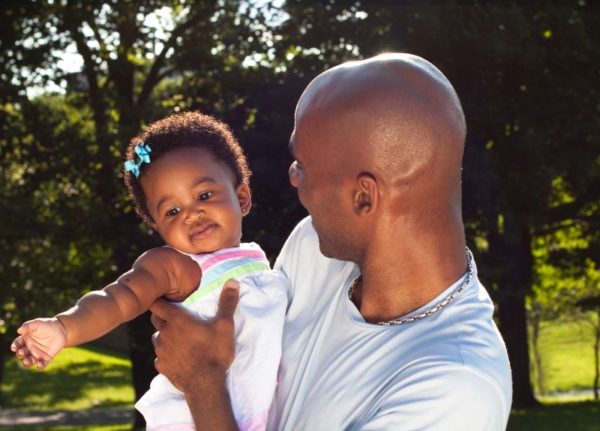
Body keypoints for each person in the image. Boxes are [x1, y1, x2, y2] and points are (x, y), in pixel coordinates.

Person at [150, 53, 513, 430]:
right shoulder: (313, 248)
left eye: (302, 166)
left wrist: (202, 383)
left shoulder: (455, 391)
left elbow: (208, 373)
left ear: (363, 197)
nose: (293, 177)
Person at [10, 112, 287, 431]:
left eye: (204, 195)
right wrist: (65, 328)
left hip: (260, 414)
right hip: (196, 419)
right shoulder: (175, 266)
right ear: (158, 227)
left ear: (242, 197)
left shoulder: (256, 259)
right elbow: (118, 298)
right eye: (172, 211)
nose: (192, 214)